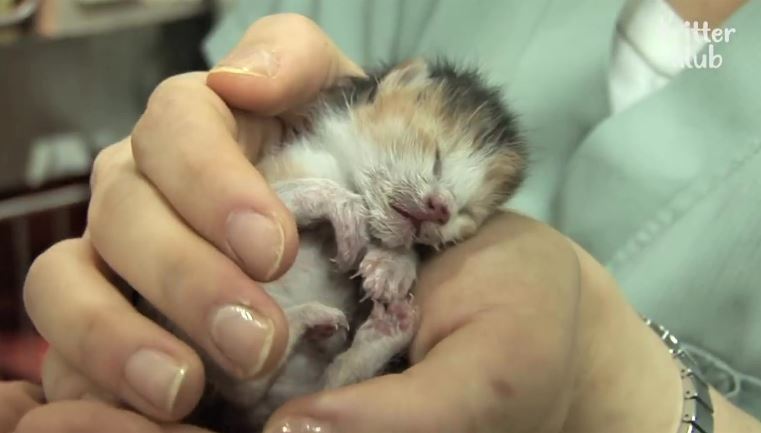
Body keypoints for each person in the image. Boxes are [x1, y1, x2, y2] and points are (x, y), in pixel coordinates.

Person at [5, 0, 761, 431]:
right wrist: (180, 163)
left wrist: (618, 385)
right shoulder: (322, 146)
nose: (439, 208)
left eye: (465, 214)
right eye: (431, 163)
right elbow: (243, 159)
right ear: (396, 88)